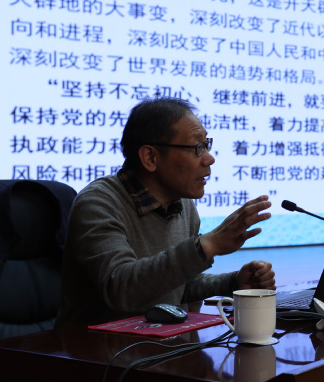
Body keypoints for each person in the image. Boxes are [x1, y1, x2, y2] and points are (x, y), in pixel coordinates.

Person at [55, 97, 275, 328]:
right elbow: (121, 288)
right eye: (197, 148)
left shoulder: (184, 205)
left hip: (162, 344)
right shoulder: (99, 203)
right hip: (98, 347)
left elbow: (174, 284)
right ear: (150, 157)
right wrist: (207, 246)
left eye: (206, 145)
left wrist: (233, 282)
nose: (209, 158)